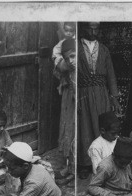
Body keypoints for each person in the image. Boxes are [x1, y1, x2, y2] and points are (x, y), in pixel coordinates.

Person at [77, 22, 121, 179]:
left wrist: (114, 98)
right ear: (83, 27)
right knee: (84, 126)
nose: (93, 31)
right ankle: (85, 163)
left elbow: (111, 75)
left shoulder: (103, 49)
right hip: (83, 93)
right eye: (90, 27)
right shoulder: (75, 48)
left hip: (101, 93)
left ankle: (104, 161)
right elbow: (70, 76)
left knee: (101, 125)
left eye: (96, 28)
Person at [54, 38, 77, 186]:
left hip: (81, 100)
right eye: (68, 58)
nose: (71, 60)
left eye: (73, 56)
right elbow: (59, 62)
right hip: (70, 98)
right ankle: (68, 166)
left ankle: (75, 170)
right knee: (68, 129)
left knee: (76, 133)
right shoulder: (63, 46)